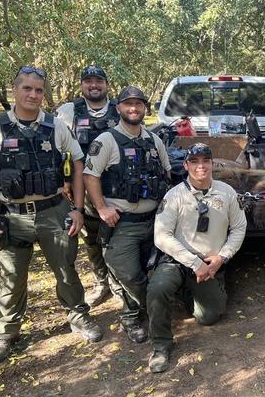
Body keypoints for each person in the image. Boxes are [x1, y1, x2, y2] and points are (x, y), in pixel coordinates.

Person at [0, 65, 103, 365]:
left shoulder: (56, 126)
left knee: (66, 270)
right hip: (10, 216)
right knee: (12, 277)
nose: (33, 94)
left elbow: (78, 165)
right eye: (27, 88)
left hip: (53, 212)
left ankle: (78, 317)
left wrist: (78, 209)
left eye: (39, 90)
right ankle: (7, 333)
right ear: (14, 89)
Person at [147, 143, 247, 373]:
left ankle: (193, 290)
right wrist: (193, 263)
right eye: (194, 162)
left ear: (213, 164)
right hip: (178, 261)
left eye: (205, 161)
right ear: (186, 165)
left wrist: (222, 257)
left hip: (211, 263)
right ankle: (161, 345)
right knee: (157, 289)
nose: (200, 166)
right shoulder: (174, 195)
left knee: (208, 317)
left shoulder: (227, 192)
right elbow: (161, 236)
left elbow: (239, 228)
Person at [83, 86, 170, 343]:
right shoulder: (107, 141)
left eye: (139, 104)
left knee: (152, 271)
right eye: (128, 104)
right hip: (123, 224)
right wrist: (101, 208)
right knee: (129, 274)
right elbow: (90, 176)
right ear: (118, 108)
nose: (134, 108)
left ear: (145, 108)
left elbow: (166, 172)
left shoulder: (154, 140)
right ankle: (140, 314)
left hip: (154, 220)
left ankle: (134, 314)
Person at [56, 65, 120, 307]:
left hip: (115, 187)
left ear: (106, 84)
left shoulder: (118, 109)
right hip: (81, 188)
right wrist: (64, 181)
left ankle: (118, 283)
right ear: (82, 84)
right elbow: (59, 149)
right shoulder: (68, 111)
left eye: (99, 81)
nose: (94, 85)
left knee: (116, 236)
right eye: (89, 81)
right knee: (91, 239)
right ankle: (101, 282)